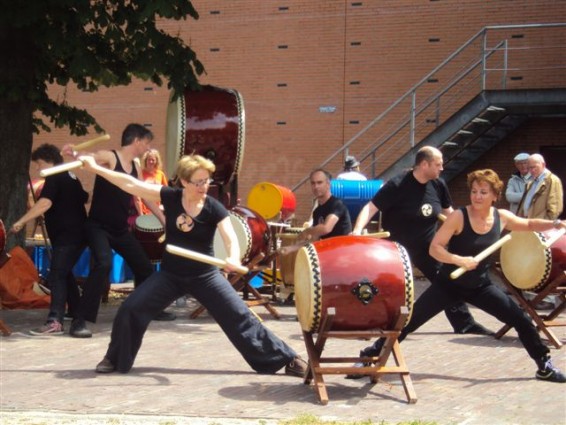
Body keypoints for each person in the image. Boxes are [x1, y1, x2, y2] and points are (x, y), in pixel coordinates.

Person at [77, 153, 308, 377]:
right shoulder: (171, 196)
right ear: (184, 182)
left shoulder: (213, 207)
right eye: (198, 182)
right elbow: (131, 184)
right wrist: (96, 169)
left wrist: (234, 258)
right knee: (131, 308)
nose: (203, 186)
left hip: (204, 275)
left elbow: (230, 238)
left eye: (206, 181)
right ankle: (114, 358)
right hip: (170, 275)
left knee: (239, 315)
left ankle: (287, 359)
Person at [350, 169, 566, 383]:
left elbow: (528, 224)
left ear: (494, 195)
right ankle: (369, 357)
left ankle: (544, 366)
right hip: (449, 285)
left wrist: (555, 224)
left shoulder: (502, 217)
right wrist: (459, 260)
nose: (477, 196)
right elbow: (435, 248)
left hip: (481, 287)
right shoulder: (458, 217)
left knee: (522, 320)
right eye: (474, 191)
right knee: (407, 323)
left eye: (483, 192)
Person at [350, 146, 492, 336]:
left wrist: (467, 235)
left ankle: (464, 323)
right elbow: (371, 207)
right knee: (388, 287)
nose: (442, 168)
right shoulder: (397, 185)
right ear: (424, 164)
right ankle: (380, 321)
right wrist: (357, 230)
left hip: (428, 247)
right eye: (438, 164)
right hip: (397, 249)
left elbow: (450, 215)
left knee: (448, 281)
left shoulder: (438, 185)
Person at [63, 124, 174, 337]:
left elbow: (143, 193)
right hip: (97, 227)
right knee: (103, 263)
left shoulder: (134, 165)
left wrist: (163, 219)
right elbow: (92, 157)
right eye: (147, 143)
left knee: (145, 268)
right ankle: (79, 321)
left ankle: (149, 309)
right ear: (137, 141)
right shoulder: (111, 157)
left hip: (120, 229)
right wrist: (75, 152)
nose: (147, 147)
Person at [10, 144, 88, 336]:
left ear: (49, 161)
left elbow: (45, 203)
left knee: (57, 275)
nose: (37, 169)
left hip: (68, 235)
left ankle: (55, 321)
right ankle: (76, 310)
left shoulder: (54, 177)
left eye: (39, 164)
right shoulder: (71, 176)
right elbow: (84, 197)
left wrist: (21, 222)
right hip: (77, 233)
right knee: (64, 272)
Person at [300, 169, 352, 241]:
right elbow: (314, 241)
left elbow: (326, 228)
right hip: (328, 250)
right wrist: (291, 248)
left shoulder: (337, 204)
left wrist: (307, 231)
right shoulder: (317, 212)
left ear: (328, 184)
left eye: (319, 183)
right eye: (313, 183)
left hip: (342, 249)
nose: (316, 186)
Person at [517, 153, 563, 220]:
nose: (532, 170)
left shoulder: (552, 180)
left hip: (540, 226)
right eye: (530, 168)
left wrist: (543, 225)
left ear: (543, 165)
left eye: (534, 167)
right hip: (527, 224)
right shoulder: (531, 182)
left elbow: (555, 208)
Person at [139, 149, 168, 215]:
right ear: (145, 161)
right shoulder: (140, 173)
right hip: (144, 210)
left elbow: (166, 192)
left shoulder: (160, 174)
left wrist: (164, 206)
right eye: (149, 159)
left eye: (153, 160)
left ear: (156, 161)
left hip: (157, 210)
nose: (151, 161)